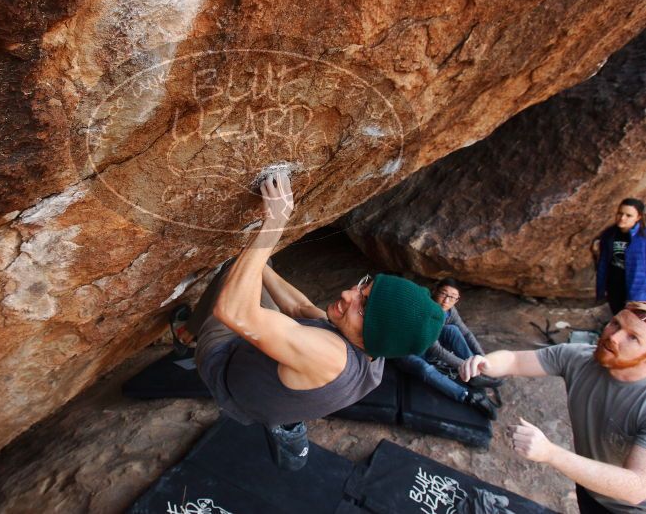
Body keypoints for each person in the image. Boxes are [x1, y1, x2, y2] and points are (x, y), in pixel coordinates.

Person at [182, 170, 444, 471]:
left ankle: (190, 334)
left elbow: (234, 312)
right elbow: (300, 308)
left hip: (225, 368)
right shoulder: (373, 352)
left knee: (234, 273)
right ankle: (282, 418)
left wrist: (273, 224)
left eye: (363, 305)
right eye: (363, 287)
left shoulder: (331, 356)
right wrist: (256, 257)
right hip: (274, 388)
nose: (348, 294)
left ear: (375, 333)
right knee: (255, 264)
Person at [460, 302, 646, 514]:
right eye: (615, 324)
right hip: (590, 486)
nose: (614, 336)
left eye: (633, 337)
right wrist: (485, 363)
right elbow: (515, 360)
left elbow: (637, 488)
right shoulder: (579, 358)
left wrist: (550, 453)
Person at [393, 278, 498, 420]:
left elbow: (466, 333)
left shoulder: (450, 311)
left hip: (428, 349)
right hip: (407, 352)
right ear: (435, 291)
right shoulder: (424, 310)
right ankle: (468, 397)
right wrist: (464, 366)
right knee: (425, 369)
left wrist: (481, 358)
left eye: (452, 297)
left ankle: (475, 376)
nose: (446, 301)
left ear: (457, 300)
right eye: (443, 294)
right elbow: (436, 350)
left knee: (453, 330)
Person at [592, 198, 646, 315]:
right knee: (618, 317)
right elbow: (603, 263)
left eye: (628, 215)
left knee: (636, 323)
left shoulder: (643, 239)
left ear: (638, 217)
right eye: (620, 213)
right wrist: (602, 287)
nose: (622, 218)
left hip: (637, 289)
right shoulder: (609, 234)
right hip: (614, 285)